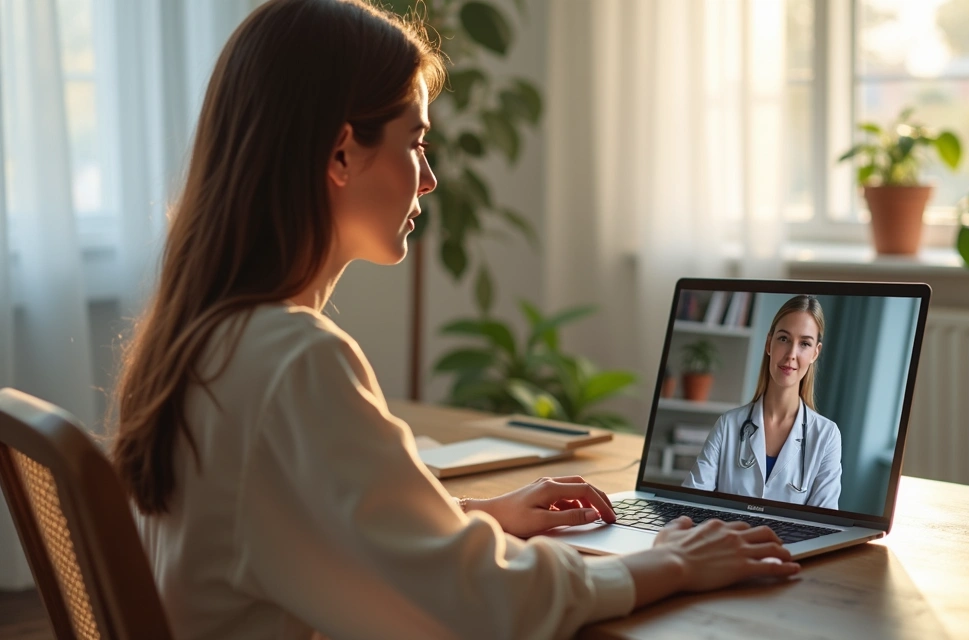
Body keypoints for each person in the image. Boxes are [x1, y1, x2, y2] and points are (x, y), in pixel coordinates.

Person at [106, 1, 800, 638]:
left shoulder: (210, 339)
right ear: (342, 153)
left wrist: (474, 516)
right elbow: (479, 605)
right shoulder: (290, 359)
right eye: (416, 143)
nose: (429, 180)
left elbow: (298, 532)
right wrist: (669, 561)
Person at [683, 295, 843, 509]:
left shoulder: (827, 436)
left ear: (815, 353)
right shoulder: (728, 425)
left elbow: (825, 526)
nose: (791, 354)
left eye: (804, 343)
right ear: (769, 343)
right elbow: (688, 504)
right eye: (784, 339)